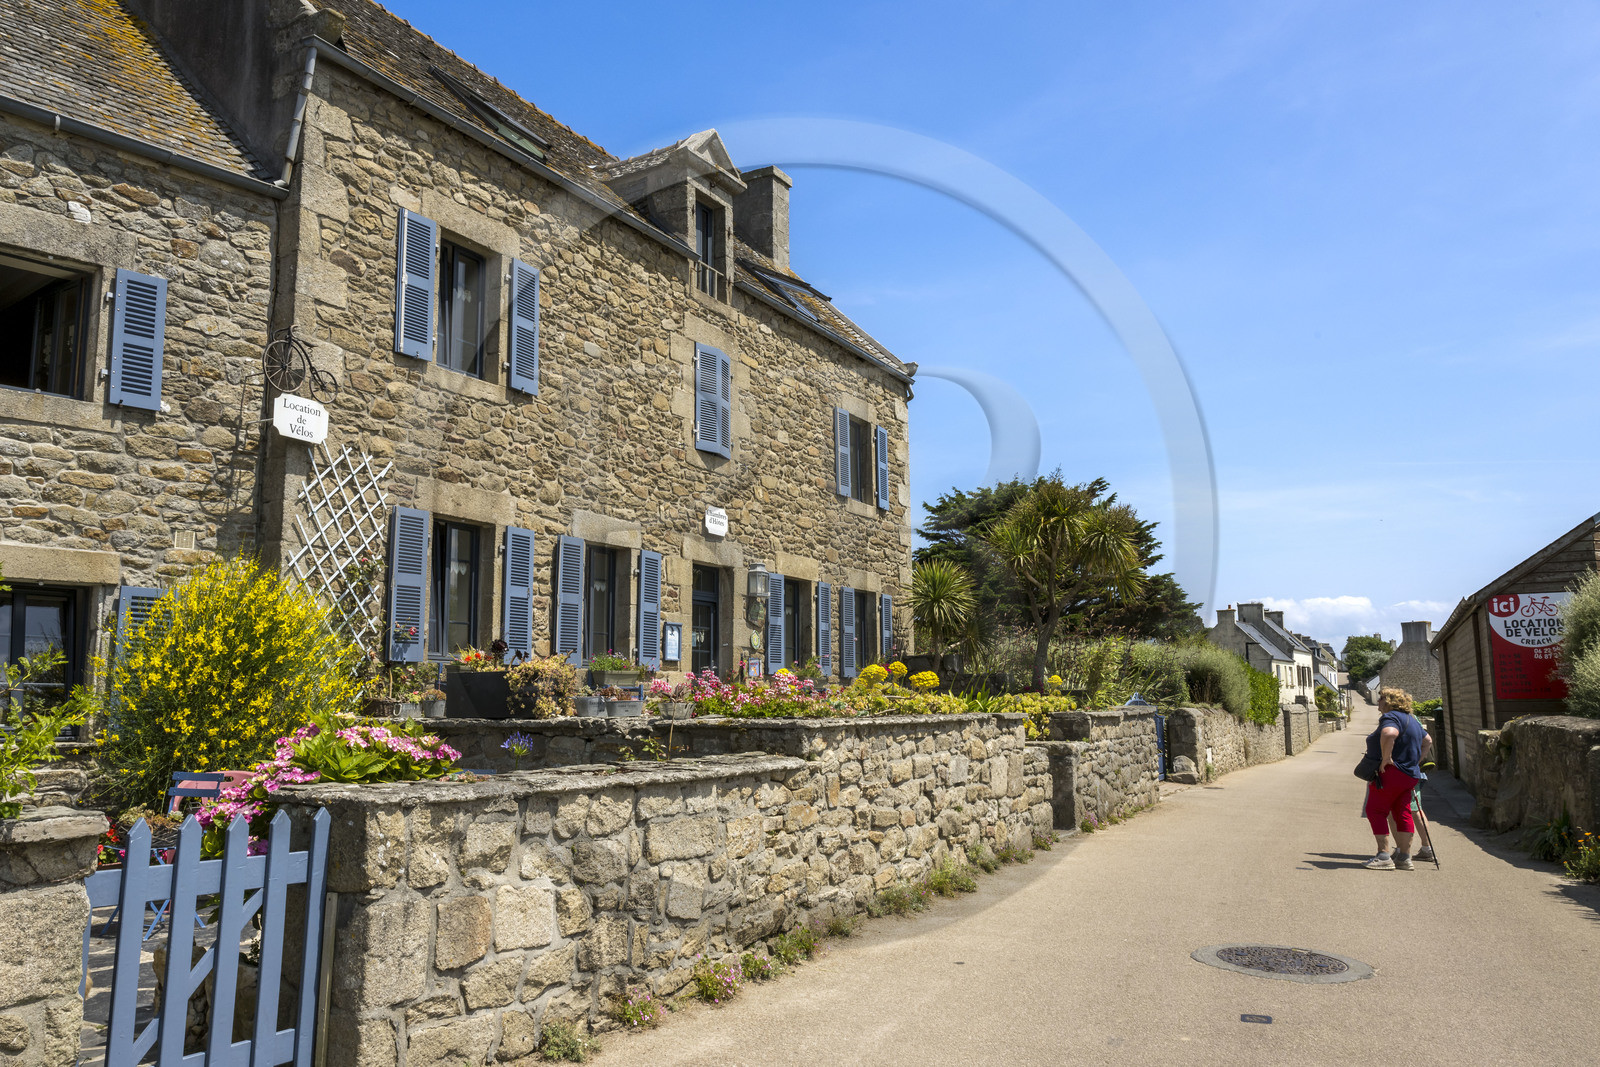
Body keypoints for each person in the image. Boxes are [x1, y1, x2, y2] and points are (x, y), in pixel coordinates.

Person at [1363, 687, 1432, 870]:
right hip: (1410, 775)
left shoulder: (1391, 717)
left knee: (1375, 810)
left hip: (1392, 773)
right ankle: (1404, 858)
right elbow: (1428, 741)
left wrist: (1386, 759)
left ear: (1390, 702)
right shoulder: (1412, 719)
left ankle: (1384, 855)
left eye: (1381, 699)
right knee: (1402, 811)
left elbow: (1389, 734)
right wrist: (1415, 761)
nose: (1378, 702)